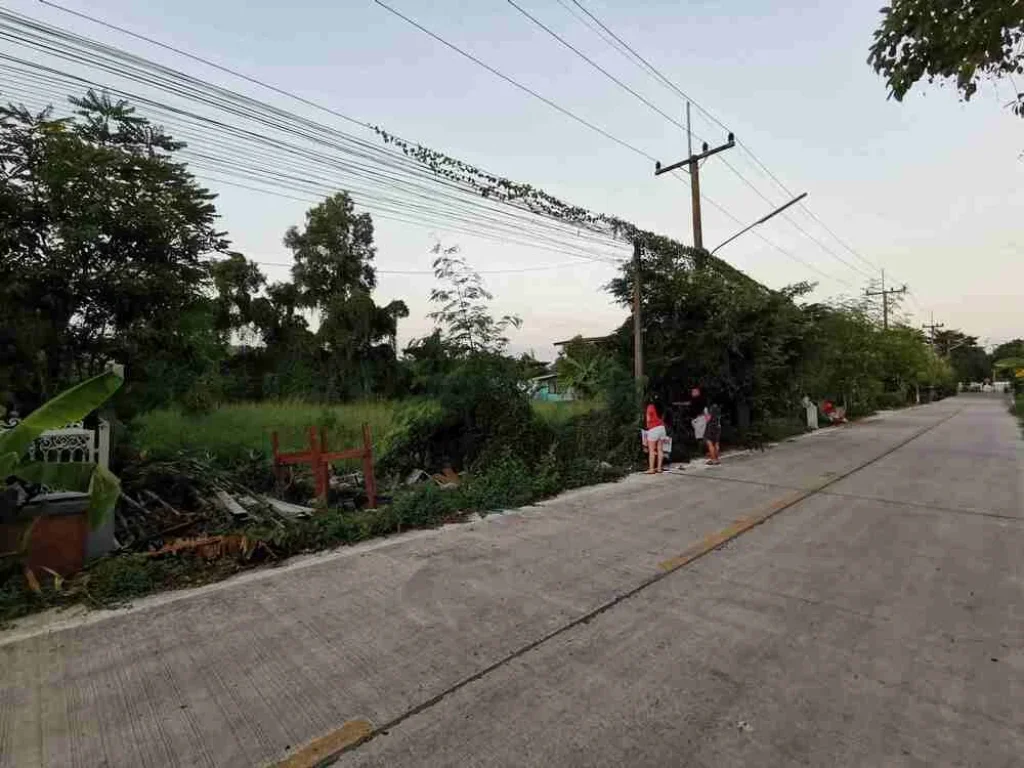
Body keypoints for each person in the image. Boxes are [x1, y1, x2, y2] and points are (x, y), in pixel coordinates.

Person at [644, 397, 666, 474]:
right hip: (662, 428)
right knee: (660, 449)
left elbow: (648, 419)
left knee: (652, 450)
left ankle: (651, 469)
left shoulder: (650, 407)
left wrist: (647, 427)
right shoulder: (661, 407)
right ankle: (659, 468)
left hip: (653, 429)